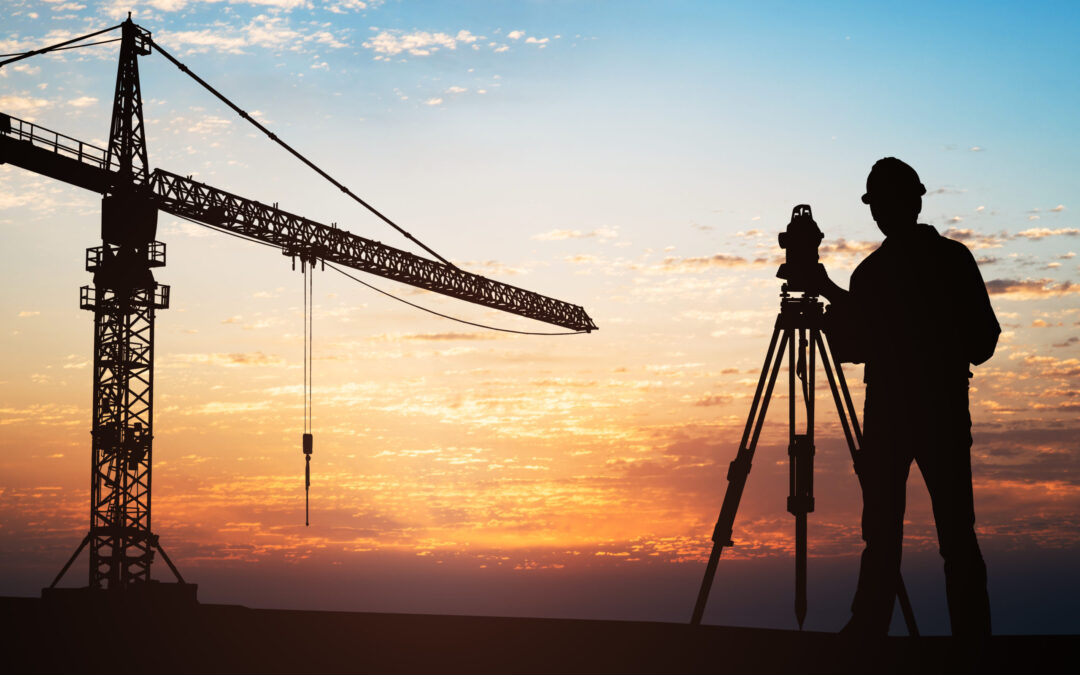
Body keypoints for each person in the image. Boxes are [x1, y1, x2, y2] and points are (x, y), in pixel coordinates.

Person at [809, 157, 1000, 639]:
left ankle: (877, 627)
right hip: (925, 412)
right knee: (917, 532)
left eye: (884, 203)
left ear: (911, 202)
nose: (879, 214)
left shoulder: (878, 273)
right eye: (876, 205)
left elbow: (979, 340)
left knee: (907, 533)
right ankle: (963, 637)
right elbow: (863, 346)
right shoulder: (920, 266)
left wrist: (841, 305)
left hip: (912, 412)